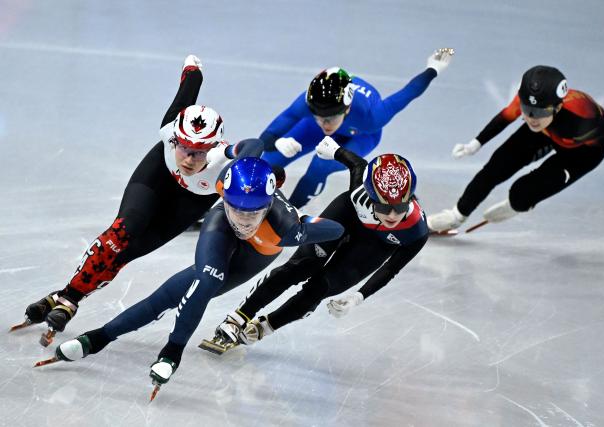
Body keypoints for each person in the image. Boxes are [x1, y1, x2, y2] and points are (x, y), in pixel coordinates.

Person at [17, 55, 264, 346]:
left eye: (198, 152)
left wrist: (237, 153)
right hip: (157, 174)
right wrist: (193, 68)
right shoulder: (170, 128)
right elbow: (189, 86)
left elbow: (256, 146)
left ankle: (63, 295)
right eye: (183, 147)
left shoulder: (223, 163)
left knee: (128, 252)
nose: (187, 157)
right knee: (123, 231)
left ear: (212, 149)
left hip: (188, 202)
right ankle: (70, 299)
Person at [44, 157, 344, 391]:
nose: (243, 220)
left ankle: (105, 339)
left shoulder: (288, 228)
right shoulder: (227, 203)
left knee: (179, 292)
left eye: (252, 213)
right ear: (222, 192)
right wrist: (233, 152)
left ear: (266, 206)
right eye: (237, 209)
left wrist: (304, 226)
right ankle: (160, 349)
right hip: (219, 229)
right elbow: (251, 147)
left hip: (257, 254)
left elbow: (337, 229)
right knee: (204, 280)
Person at [211, 136, 429, 348]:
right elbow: (357, 165)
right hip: (347, 216)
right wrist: (334, 151)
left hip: (375, 246)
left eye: (400, 207)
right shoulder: (358, 193)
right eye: (383, 207)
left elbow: (391, 268)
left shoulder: (416, 231)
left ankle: (264, 327)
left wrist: (358, 297)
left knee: (320, 287)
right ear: (370, 197)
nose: (392, 215)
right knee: (298, 267)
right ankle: (238, 318)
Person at [426, 65, 604, 232]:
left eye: (539, 111)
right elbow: (505, 117)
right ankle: (456, 216)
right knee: (495, 167)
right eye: (527, 110)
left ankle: (518, 203)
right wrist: (476, 143)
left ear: (558, 107)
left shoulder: (581, 124)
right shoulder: (530, 106)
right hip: (546, 133)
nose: (531, 117)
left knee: (522, 192)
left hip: (583, 151)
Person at [260, 48, 454, 208]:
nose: (325, 124)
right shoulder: (308, 105)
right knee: (269, 159)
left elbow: (407, 93)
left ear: (348, 108)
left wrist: (432, 69)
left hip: (361, 136)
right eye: (319, 117)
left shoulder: (372, 117)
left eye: (330, 118)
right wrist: (276, 141)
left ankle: (290, 211)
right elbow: (267, 137)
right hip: (320, 128)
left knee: (320, 165)